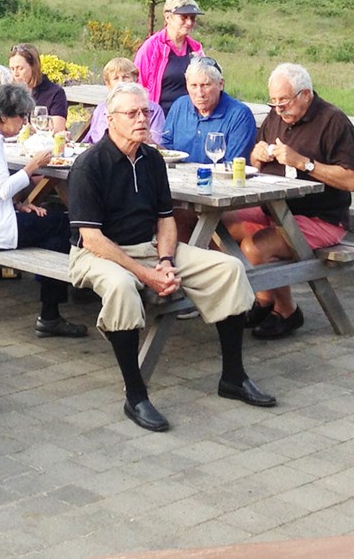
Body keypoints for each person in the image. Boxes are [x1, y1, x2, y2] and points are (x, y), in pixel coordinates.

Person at [67, 82, 275, 432]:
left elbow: (165, 221)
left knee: (228, 267)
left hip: (149, 247)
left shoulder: (151, 160)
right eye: (131, 114)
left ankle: (233, 378)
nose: (141, 119)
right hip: (98, 254)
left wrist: (164, 262)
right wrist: (147, 276)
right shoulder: (90, 165)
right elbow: (93, 240)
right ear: (110, 120)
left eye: (144, 112)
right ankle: (135, 395)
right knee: (120, 287)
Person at [223, 63, 354, 340]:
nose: (279, 109)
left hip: (321, 217)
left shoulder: (333, 121)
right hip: (274, 207)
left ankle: (287, 311)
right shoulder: (275, 117)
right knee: (222, 226)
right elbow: (254, 162)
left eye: (284, 101)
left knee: (255, 248)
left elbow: (350, 179)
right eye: (274, 101)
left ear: (305, 94)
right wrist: (257, 157)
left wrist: (304, 163)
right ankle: (263, 299)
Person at [0, 84, 86, 338]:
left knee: (51, 226)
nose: (25, 122)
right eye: (21, 116)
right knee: (64, 224)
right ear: (3, 116)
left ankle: (52, 309)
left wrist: (18, 205)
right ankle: (56, 307)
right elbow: (2, 188)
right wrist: (32, 166)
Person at [161, 57, 256, 163]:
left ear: (221, 84)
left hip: (218, 178)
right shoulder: (179, 106)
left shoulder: (239, 115)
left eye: (205, 85)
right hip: (178, 177)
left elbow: (234, 164)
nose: (200, 93)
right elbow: (167, 149)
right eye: (193, 86)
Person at [134, 0, 205, 117]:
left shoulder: (195, 49)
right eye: (184, 17)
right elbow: (137, 85)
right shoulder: (151, 47)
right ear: (168, 18)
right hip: (158, 117)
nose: (189, 22)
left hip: (189, 117)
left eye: (192, 18)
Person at [84, 58, 165, 145]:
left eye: (126, 77)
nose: (121, 82)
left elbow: (158, 146)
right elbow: (89, 141)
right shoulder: (101, 109)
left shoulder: (153, 110)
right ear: (108, 84)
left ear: (136, 80)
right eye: (116, 78)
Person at [8, 44, 67, 133]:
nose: (15, 74)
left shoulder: (54, 92)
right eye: (12, 69)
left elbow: (58, 128)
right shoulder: (11, 93)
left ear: (33, 67)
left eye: (20, 68)